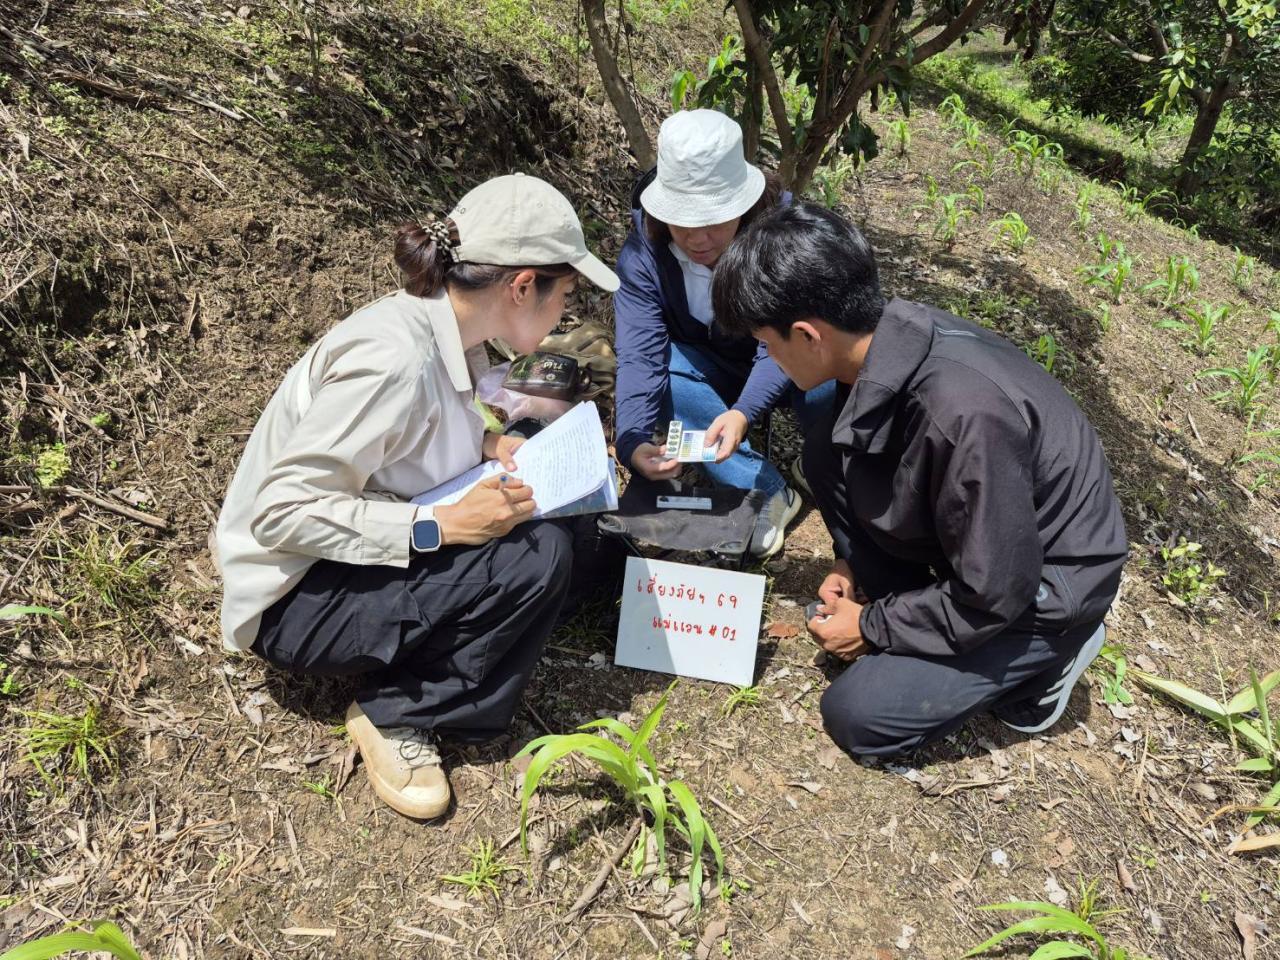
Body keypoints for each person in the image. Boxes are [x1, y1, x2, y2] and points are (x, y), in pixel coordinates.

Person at [214, 174, 620, 819]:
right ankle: (397, 711)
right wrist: (442, 526)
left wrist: (488, 450)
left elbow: (412, 441)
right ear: (521, 286)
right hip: (297, 602)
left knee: (572, 532)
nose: (561, 314)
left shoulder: (446, 334)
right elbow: (281, 513)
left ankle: (450, 652)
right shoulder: (393, 360)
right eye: (562, 295)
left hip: (350, 561)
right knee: (536, 553)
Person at [711, 202, 1128, 758]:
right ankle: (918, 609)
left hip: (1043, 587)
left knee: (858, 714)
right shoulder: (885, 339)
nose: (767, 355)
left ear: (809, 335)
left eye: (768, 342)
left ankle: (1051, 663)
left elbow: (996, 591)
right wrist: (854, 563)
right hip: (990, 540)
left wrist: (875, 627)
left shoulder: (963, 416)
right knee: (825, 450)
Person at [613, 110, 836, 558]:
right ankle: (768, 491)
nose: (698, 238)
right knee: (669, 371)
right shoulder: (644, 253)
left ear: (743, 204)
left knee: (829, 384)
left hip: (788, 361)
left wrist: (744, 412)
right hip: (706, 367)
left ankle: (825, 464)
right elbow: (641, 353)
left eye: (714, 219)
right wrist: (632, 439)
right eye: (683, 220)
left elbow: (786, 343)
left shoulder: (780, 237)